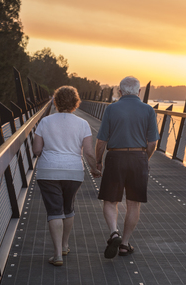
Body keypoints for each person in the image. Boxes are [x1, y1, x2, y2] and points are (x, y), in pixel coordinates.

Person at [33, 86, 101, 266]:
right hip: (73, 171)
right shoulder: (83, 124)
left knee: (54, 211)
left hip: (48, 171)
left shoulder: (45, 122)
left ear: (55, 101)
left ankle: (57, 255)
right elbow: (88, 152)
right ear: (76, 103)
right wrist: (95, 169)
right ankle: (64, 245)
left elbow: (37, 149)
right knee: (68, 207)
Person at [95, 76, 159, 258]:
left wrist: (98, 161)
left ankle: (114, 233)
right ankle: (124, 244)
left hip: (116, 156)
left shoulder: (111, 109)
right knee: (134, 203)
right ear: (139, 92)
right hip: (138, 157)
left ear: (120, 91)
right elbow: (153, 142)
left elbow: (101, 141)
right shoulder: (148, 110)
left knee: (110, 200)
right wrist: (144, 158)